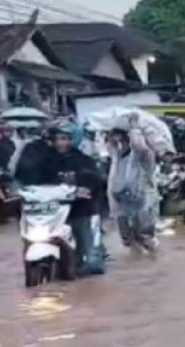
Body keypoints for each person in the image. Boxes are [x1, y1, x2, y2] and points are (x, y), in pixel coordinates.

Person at [45, 122, 107, 275]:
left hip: (82, 211)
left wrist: (86, 189)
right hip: (54, 212)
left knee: (93, 262)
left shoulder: (84, 160)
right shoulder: (45, 160)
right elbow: (34, 179)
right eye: (57, 139)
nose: (60, 143)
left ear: (73, 140)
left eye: (64, 138)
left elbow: (97, 181)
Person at [106, 113, 159, 253]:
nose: (119, 141)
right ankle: (138, 262)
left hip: (142, 199)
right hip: (122, 200)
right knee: (127, 239)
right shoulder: (116, 155)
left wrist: (134, 128)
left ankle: (152, 261)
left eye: (122, 137)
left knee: (145, 238)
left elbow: (139, 146)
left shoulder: (143, 154)